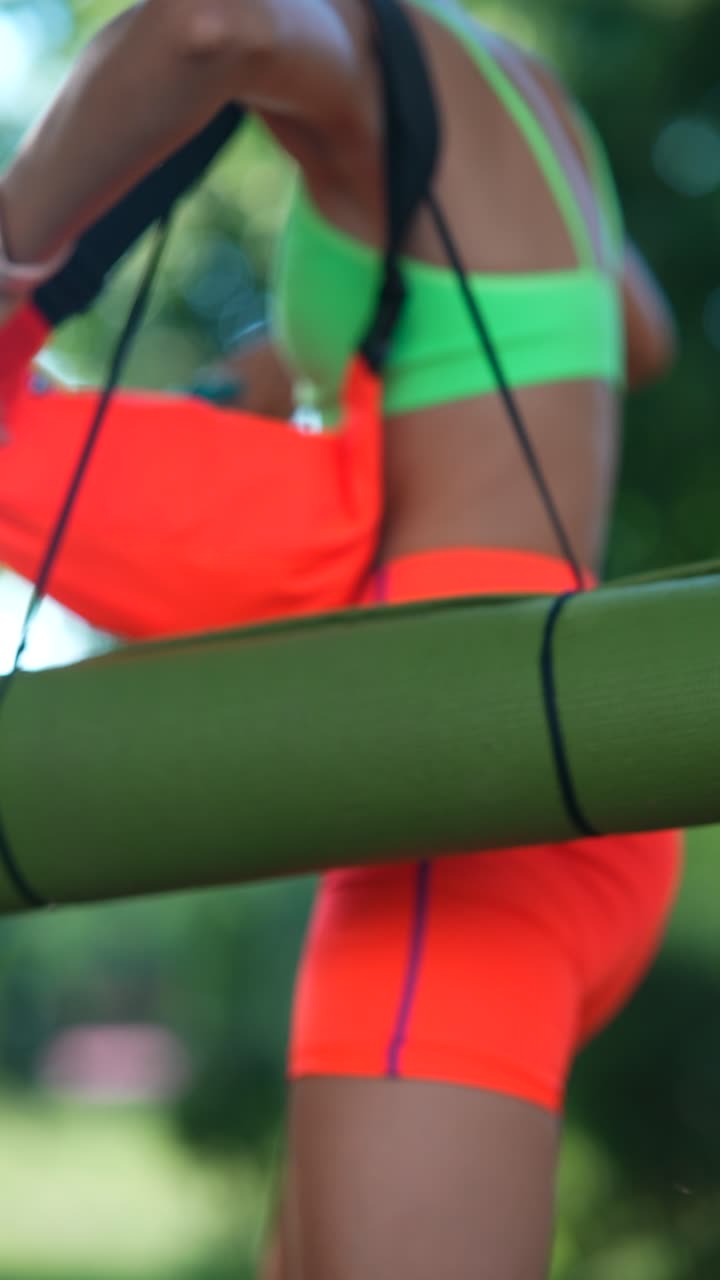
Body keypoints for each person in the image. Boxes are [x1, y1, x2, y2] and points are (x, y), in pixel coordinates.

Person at [0, 0, 681, 1275]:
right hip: (549, 744)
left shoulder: (370, 53)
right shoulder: (530, 105)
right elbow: (634, 332)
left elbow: (209, 24)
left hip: (452, 794)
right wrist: (289, 373)